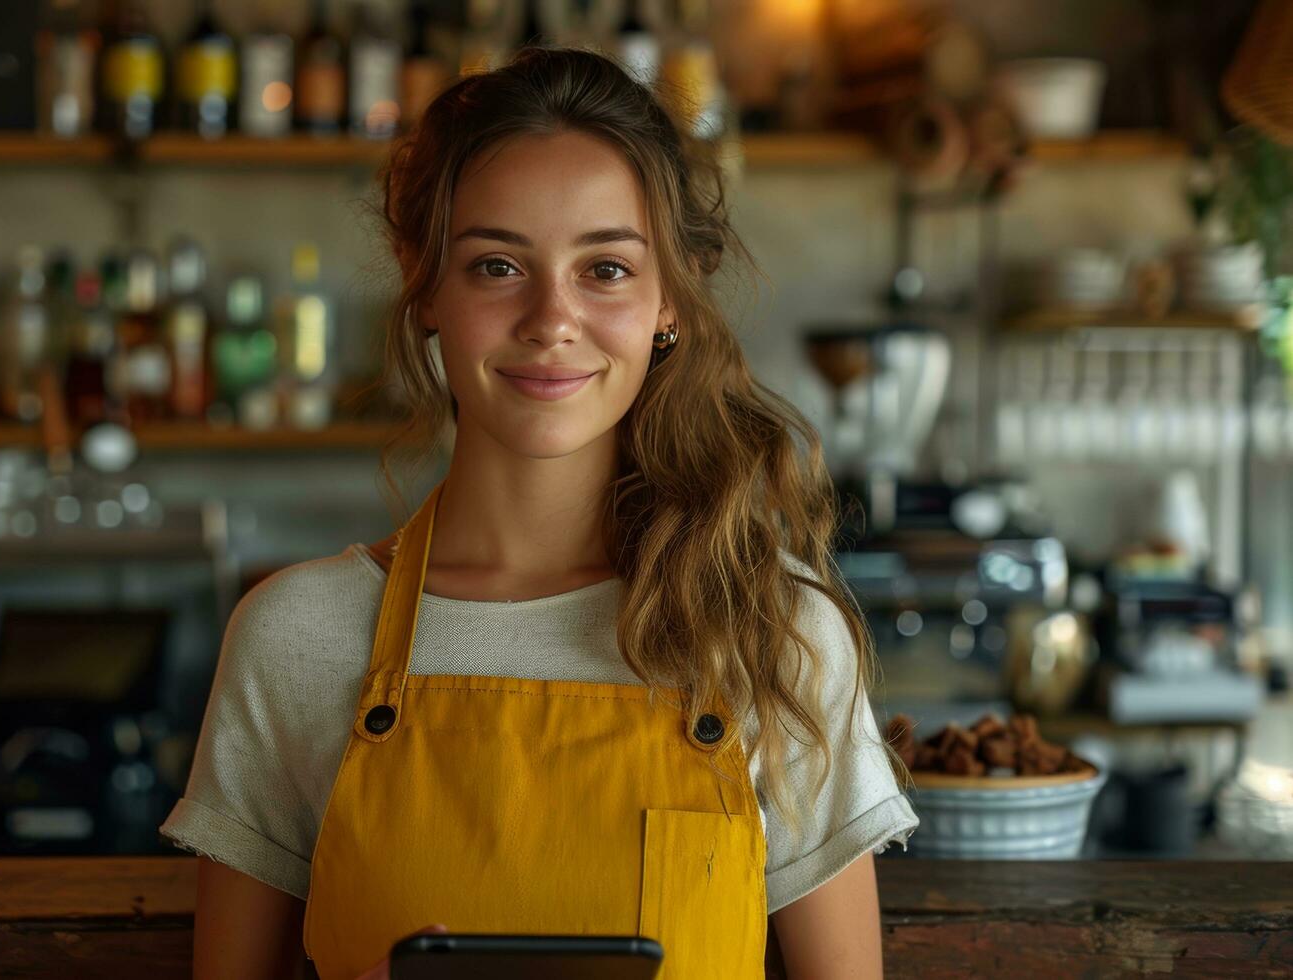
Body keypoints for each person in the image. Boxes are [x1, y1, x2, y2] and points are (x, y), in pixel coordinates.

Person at [160, 45, 918, 980]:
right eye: (495, 265)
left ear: (668, 298)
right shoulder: (297, 638)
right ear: (425, 283)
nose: (550, 319)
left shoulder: (769, 632)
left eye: (604, 269)